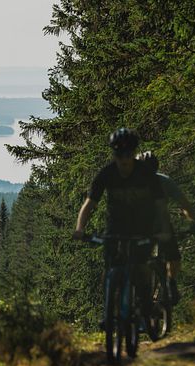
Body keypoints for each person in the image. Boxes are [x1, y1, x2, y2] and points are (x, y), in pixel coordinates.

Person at [73, 128, 167, 329]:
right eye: (119, 154)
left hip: (143, 227)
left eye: (128, 154)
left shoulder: (145, 174)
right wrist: (80, 228)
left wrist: (160, 229)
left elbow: (160, 205)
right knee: (110, 269)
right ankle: (110, 312)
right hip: (115, 228)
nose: (123, 159)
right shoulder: (107, 174)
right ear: (113, 154)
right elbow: (89, 205)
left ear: (134, 153)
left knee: (141, 267)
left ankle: (145, 307)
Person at [136, 151, 195, 305]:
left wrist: (194, 220)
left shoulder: (164, 181)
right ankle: (141, 293)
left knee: (174, 258)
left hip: (161, 225)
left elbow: (184, 203)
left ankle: (170, 283)